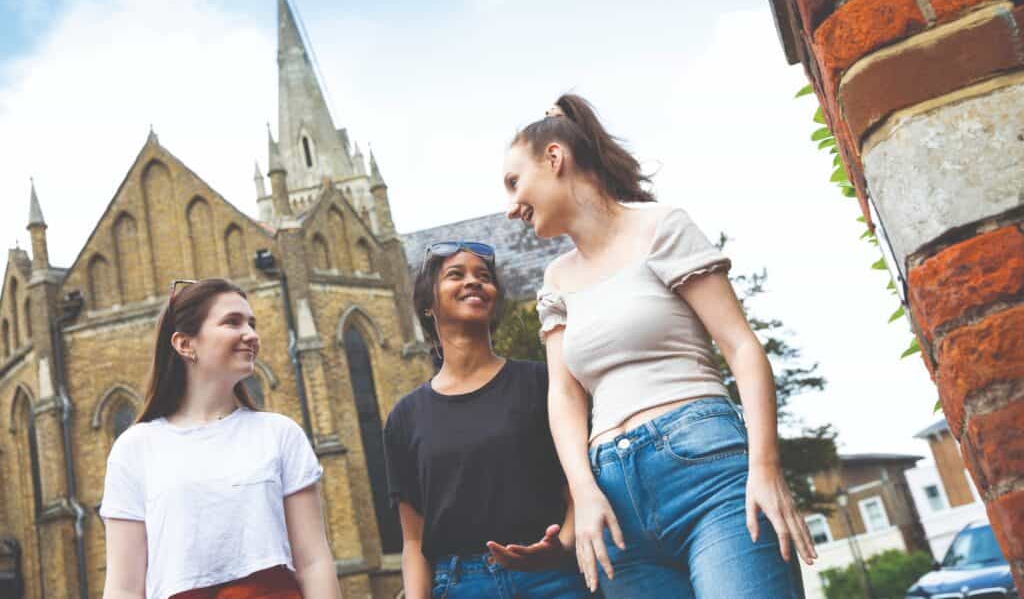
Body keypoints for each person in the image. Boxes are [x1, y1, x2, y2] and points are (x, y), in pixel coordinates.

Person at [501, 94, 817, 597]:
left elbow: (740, 346)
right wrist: (583, 492)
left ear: (555, 160)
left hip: (707, 474)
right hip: (613, 501)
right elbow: (563, 396)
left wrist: (765, 468)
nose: (511, 205)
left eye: (514, 182)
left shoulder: (661, 227)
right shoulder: (555, 279)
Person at [100, 278, 343, 599]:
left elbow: (313, 562)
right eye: (233, 322)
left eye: (252, 323)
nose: (252, 335)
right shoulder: (135, 448)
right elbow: (124, 587)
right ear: (186, 344)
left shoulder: (279, 434)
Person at [383, 241, 592, 598]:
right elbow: (414, 541)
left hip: (554, 577)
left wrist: (564, 545)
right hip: (460, 585)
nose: (474, 282)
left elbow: (578, 486)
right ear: (428, 304)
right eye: (456, 275)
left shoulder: (545, 383)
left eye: (484, 276)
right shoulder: (405, 417)